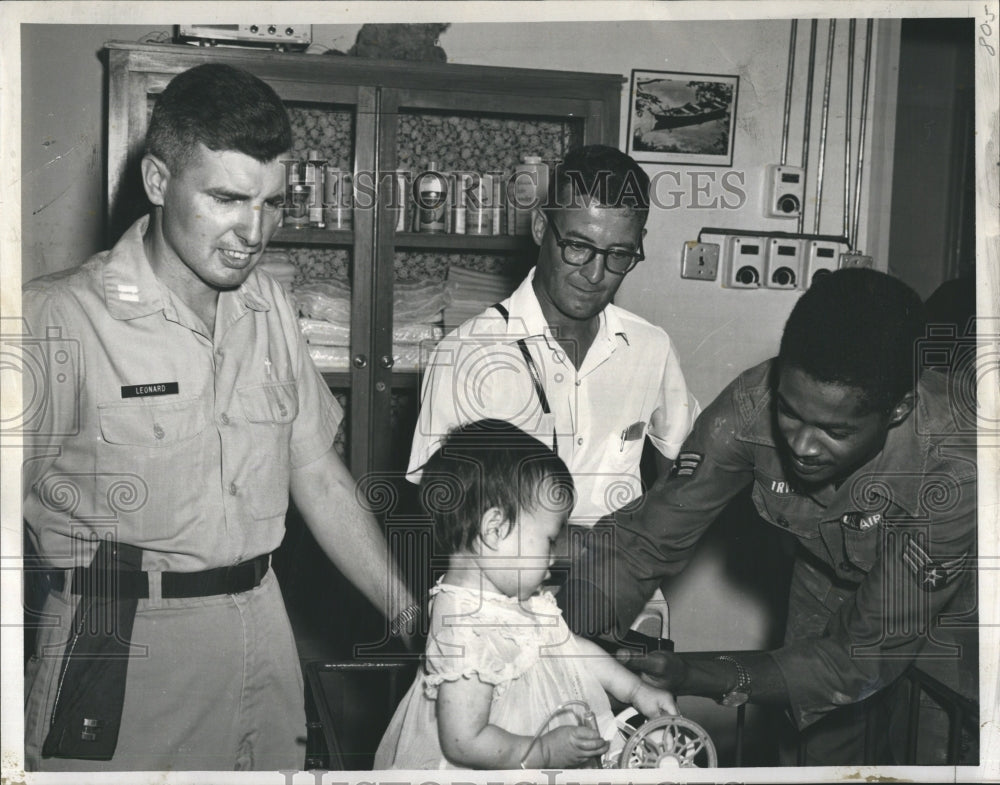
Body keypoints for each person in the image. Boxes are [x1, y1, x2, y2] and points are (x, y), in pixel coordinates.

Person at [21, 63, 416, 771]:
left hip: (262, 624)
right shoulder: (59, 318)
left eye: (271, 202)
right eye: (228, 199)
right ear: (155, 182)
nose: (254, 230)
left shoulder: (268, 309)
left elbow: (316, 474)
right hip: (118, 633)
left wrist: (410, 614)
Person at [571, 268, 978, 765]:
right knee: (812, 754)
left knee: (942, 751)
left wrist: (696, 674)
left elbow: (859, 658)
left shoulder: (956, 467)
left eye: (834, 431)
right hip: (828, 573)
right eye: (790, 412)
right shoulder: (751, 405)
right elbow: (643, 543)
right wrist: (561, 638)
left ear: (899, 409)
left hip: (960, 602)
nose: (802, 445)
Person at [407, 144, 699, 539]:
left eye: (619, 254)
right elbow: (441, 515)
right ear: (542, 228)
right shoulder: (466, 354)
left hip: (625, 588)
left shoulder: (650, 347)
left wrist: (651, 557)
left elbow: (681, 472)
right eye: (578, 247)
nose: (595, 274)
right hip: (507, 594)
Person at [374, 420, 678, 770]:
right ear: (495, 529)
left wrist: (635, 691)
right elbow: (462, 742)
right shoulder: (461, 624)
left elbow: (570, 648)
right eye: (548, 541)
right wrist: (543, 752)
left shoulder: (516, 596)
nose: (553, 557)